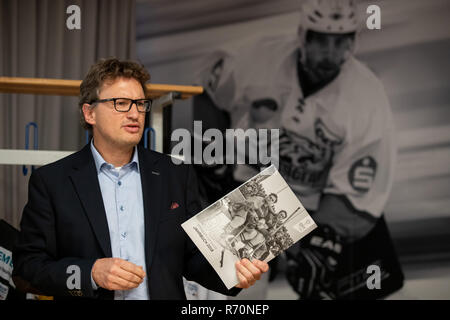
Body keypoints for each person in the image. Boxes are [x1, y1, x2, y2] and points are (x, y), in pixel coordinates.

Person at [193, 0, 403, 299]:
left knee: (364, 287)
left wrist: (318, 243)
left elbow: (357, 200)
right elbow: (208, 91)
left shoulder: (367, 98)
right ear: (303, 35)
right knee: (215, 287)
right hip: (257, 194)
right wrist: (211, 154)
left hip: (323, 204)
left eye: (340, 42)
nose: (330, 54)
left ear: (353, 41)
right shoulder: (258, 58)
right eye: (321, 41)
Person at [13, 58, 269, 300]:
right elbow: (28, 267)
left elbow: (193, 258)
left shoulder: (175, 173)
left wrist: (233, 274)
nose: (135, 113)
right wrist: (91, 273)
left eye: (140, 104)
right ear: (90, 113)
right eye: (121, 103)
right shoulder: (52, 182)